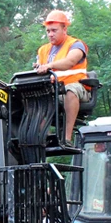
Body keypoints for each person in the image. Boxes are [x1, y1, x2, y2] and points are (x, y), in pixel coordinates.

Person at [34, 9, 89, 143]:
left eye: (54, 30)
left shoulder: (76, 45)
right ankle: (42, 138)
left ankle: (66, 138)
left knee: (71, 90)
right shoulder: (43, 50)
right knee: (34, 97)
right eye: (48, 31)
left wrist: (49, 66)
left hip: (78, 87)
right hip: (53, 90)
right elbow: (39, 68)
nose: (50, 34)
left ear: (64, 29)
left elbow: (69, 62)